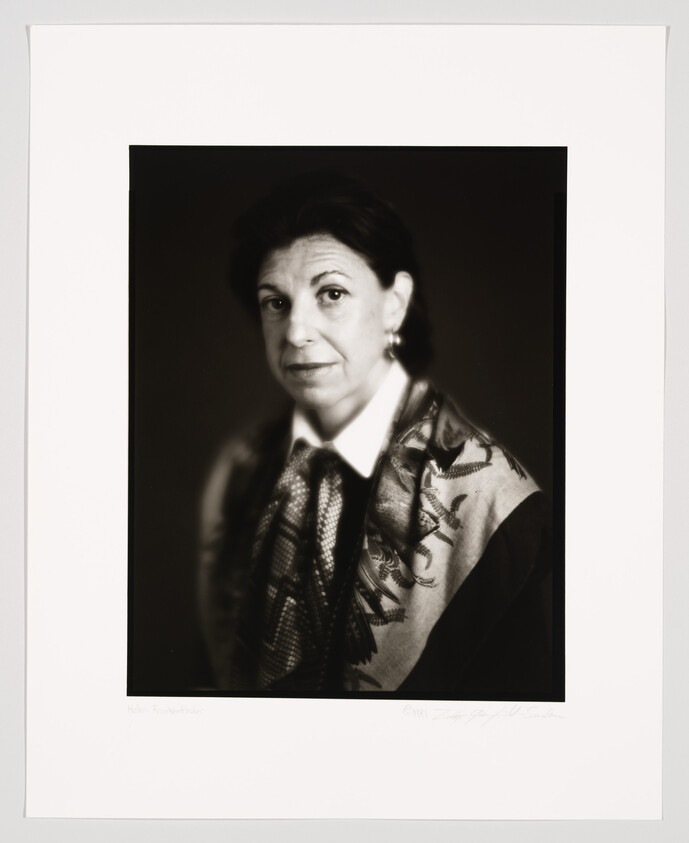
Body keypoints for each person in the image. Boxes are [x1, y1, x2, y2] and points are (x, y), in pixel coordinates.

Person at [199, 171, 554, 698]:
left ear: (395, 303)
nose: (295, 331)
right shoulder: (242, 469)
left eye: (332, 294)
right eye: (275, 302)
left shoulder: (495, 508)